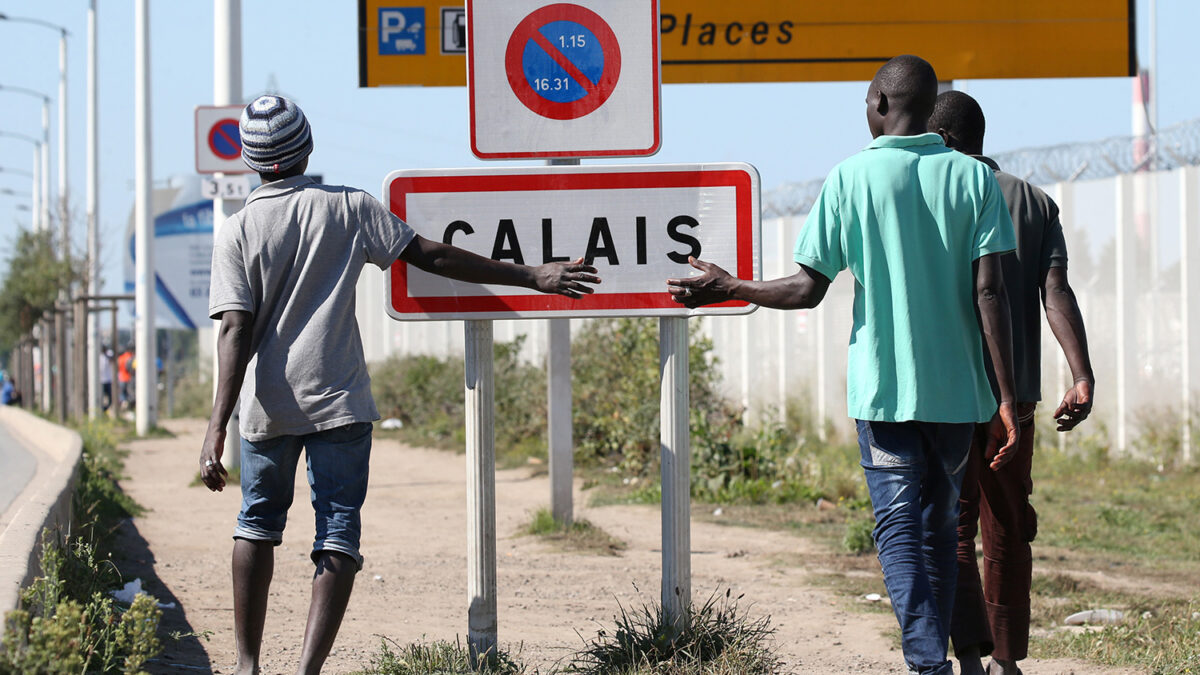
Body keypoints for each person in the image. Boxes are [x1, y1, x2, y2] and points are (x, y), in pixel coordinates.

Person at [199, 95, 599, 675]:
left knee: (256, 525)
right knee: (337, 531)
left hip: (267, 407)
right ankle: (308, 670)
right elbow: (430, 257)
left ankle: (245, 665)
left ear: (249, 160)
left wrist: (216, 428)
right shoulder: (350, 208)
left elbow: (234, 329)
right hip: (340, 400)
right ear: (307, 147)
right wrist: (532, 274)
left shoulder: (235, 231)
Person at [666, 55, 1020, 675]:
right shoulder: (975, 179)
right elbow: (990, 293)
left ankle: (926, 663)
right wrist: (1007, 398)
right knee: (938, 527)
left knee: (897, 530)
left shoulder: (849, 178)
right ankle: (930, 659)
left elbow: (807, 287)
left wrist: (731, 286)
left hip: (884, 391)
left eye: (865, 100)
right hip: (959, 394)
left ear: (882, 102)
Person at [928, 90, 1095, 675]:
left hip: (948, 391)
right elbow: (1056, 293)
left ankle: (967, 655)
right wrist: (1081, 373)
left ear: (942, 140)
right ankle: (1005, 659)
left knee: (954, 521)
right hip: (1016, 396)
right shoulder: (1033, 201)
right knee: (1007, 523)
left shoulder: (931, 197)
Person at [117, 344, 135, 409]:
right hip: (130, 378)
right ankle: (129, 406)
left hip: (121, 378)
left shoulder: (121, 358)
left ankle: (124, 404)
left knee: (122, 394)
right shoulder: (131, 358)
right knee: (130, 394)